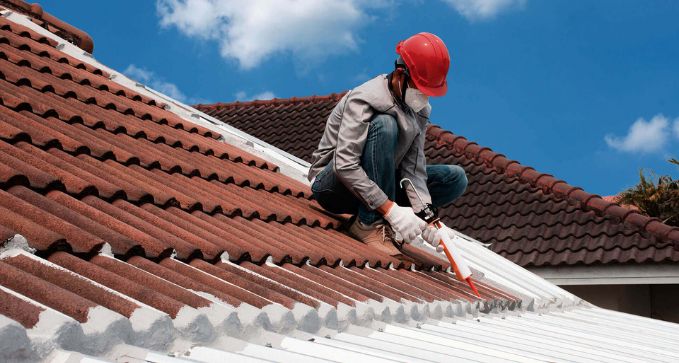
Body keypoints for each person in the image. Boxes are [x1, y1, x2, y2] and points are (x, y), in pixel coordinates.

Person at [308, 32, 468, 258]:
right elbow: (344, 164)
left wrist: (429, 219)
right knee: (385, 124)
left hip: (378, 181)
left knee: (454, 178)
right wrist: (391, 211)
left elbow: (413, 170)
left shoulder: (420, 109)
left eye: (428, 92)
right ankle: (368, 223)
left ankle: (384, 212)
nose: (423, 97)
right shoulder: (364, 98)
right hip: (333, 184)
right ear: (401, 74)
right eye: (419, 87)